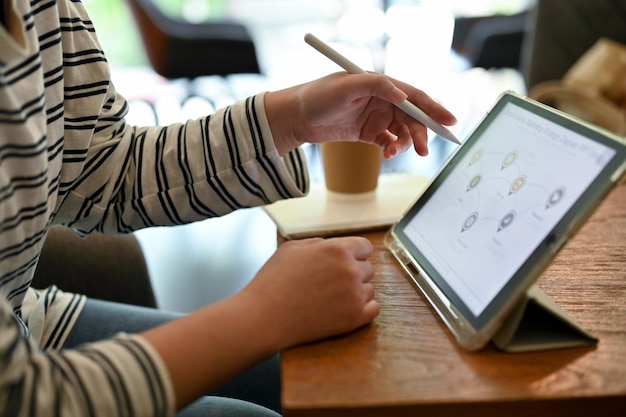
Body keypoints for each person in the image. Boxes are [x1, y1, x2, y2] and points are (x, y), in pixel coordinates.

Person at [0, 1, 456, 416]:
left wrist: (292, 119)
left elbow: (100, 169)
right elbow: (21, 397)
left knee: (340, 376)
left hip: (25, 320)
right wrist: (263, 313)